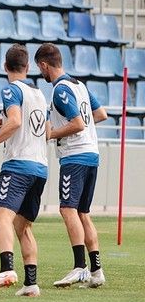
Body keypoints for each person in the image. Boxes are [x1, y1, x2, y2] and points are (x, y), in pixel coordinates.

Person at [0, 44, 49, 297]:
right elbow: (43, 131)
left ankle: (6, 269)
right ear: (27, 67)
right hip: (40, 167)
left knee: (1, 217)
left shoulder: (10, 90)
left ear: (5, 67)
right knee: (23, 226)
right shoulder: (38, 94)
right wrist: (5, 122)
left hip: (18, 165)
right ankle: (31, 284)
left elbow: (15, 121)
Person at [34, 43, 107, 288]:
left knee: (68, 210)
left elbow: (77, 124)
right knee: (83, 213)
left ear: (44, 65)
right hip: (92, 154)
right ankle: (97, 271)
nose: (40, 73)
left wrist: (52, 134)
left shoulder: (60, 89)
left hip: (75, 157)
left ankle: (80, 267)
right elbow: (100, 114)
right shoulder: (80, 85)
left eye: (40, 68)